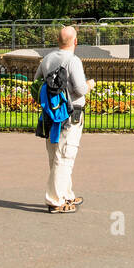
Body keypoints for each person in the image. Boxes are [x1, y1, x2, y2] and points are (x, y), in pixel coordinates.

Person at [36, 26, 95, 214]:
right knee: (65, 156)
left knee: (56, 154)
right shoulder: (73, 60)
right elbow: (80, 89)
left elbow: (37, 82)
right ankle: (55, 200)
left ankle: (67, 193)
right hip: (71, 114)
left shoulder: (47, 59)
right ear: (75, 41)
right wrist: (89, 85)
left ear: (58, 41)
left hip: (51, 114)